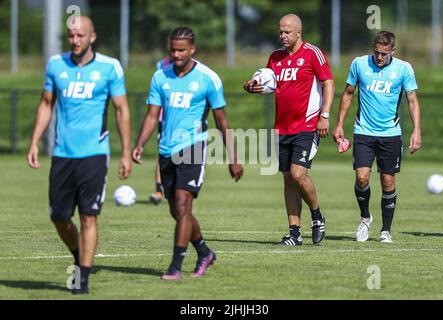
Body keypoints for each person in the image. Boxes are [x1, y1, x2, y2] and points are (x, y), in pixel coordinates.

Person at [27, 16, 132, 294]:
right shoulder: (56, 65)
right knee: (59, 217)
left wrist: (124, 153)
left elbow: (121, 110)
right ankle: (78, 254)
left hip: (95, 154)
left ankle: (82, 277)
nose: (75, 41)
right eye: (71, 36)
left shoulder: (110, 67)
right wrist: (35, 142)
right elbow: (46, 104)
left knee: (88, 217)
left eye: (80, 36)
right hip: (62, 154)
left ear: (92, 37)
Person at [132, 27, 244, 280]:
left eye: (181, 50)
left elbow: (222, 122)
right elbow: (152, 115)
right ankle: (204, 251)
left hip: (193, 147)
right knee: (177, 212)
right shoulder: (160, 77)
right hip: (165, 150)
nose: (176, 54)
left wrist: (233, 157)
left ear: (193, 49)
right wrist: (139, 144)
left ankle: (175, 267)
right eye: (173, 49)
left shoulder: (208, 79)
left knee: (183, 207)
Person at [243, 14, 335, 245]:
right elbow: (268, 83)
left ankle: (317, 214)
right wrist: (251, 86)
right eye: (280, 32)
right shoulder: (275, 57)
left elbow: (329, 83)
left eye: (286, 32)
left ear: (298, 33)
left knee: (298, 174)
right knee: (287, 179)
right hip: (282, 127)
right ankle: (294, 233)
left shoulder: (312, 53)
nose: (282, 36)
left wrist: (324, 116)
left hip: (306, 125)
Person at [332, 30, 421, 243]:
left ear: (393, 50)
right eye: (376, 52)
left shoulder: (404, 69)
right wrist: (339, 124)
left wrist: (416, 130)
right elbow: (348, 94)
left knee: (387, 181)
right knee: (362, 177)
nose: (379, 57)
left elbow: (412, 100)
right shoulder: (359, 64)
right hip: (363, 131)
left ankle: (385, 231)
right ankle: (365, 218)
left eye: (384, 53)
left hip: (391, 134)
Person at [149, 56, 172, 205]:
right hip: (164, 118)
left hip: (184, 118)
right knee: (162, 153)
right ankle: (159, 190)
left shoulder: (194, 66)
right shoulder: (161, 65)